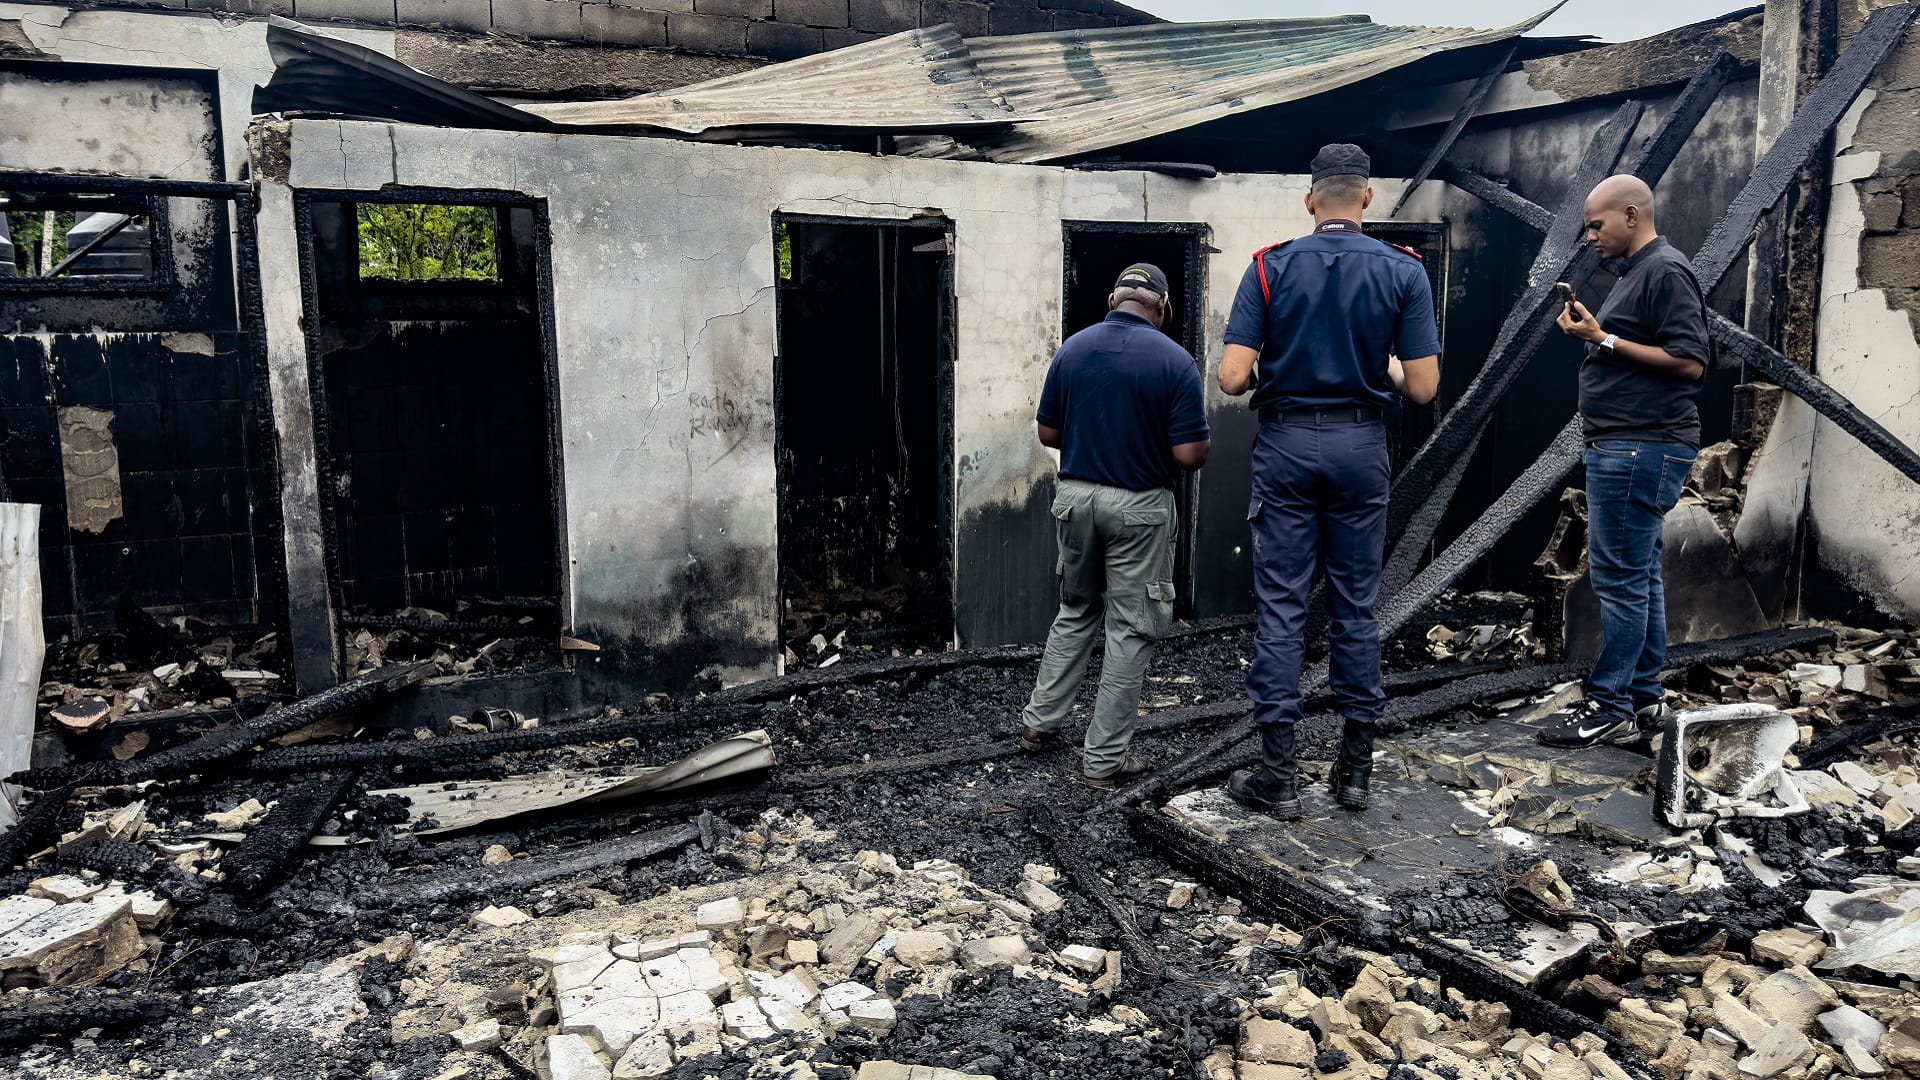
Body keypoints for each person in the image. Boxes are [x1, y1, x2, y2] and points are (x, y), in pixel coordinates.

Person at [1216, 144, 1441, 819]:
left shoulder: (1268, 268)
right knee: (1355, 605)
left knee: (1283, 607)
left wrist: (1280, 370)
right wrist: (1381, 374)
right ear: (1367, 198)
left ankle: (1279, 778)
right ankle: (1353, 775)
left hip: (1286, 442)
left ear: (1311, 200)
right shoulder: (1404, 272)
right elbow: (1423, 387)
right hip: (1359, 446)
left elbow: (1231, 377)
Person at [1018, 263, 1211, 790]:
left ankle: (1039, 723)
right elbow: (1190, 455)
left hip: (1075, 498)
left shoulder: (1073, 349)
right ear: (1162, 308)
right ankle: (1104, 761)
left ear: (1111, 300)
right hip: (1140, 507)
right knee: (1130, 627)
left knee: (1077, 608)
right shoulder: (1176, 361)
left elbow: (1048, 432)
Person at [1538, 174, 1710, 748]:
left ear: (1632, 215)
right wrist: (1597, 334)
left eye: (1596, 224)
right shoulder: (1639, 272)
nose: (1590, 236)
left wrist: (1603, 340)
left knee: (1619, 579)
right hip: (1632, 444)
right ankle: (1643, 698)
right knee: (1638, 576)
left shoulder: (1665, 270)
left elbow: (1690, 362)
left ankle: (1608, 703)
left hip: (1641, 446)